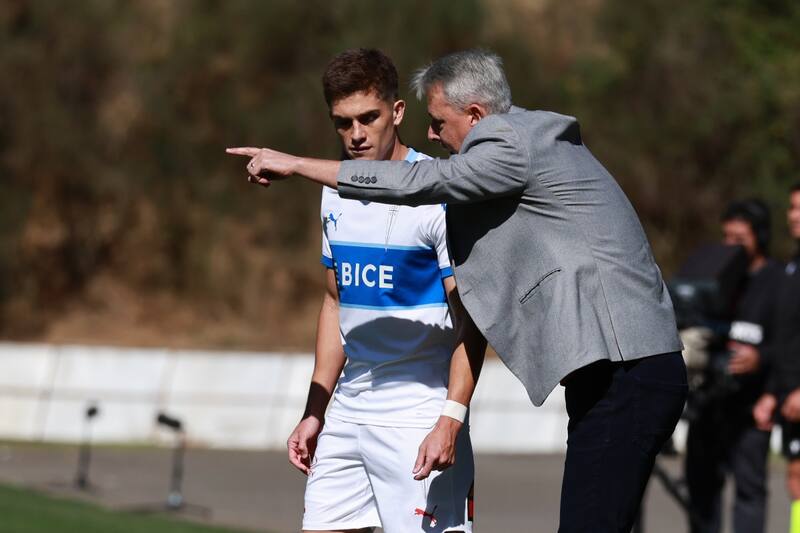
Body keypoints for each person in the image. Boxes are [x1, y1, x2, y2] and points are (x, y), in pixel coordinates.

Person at [228, 48, 687, 533]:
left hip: (628, 370)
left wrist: (297, 164)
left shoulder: (508, 142)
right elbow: (336, 297)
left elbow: (424, 182)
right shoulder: (527, 137)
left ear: (475, 115)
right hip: (613, 370)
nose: (431, 134)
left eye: (438, 121)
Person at [282, 48, 476, 533]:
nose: (356, 134)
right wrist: (315, 411)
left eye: (368, 118)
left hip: (418, 414)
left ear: (397, 112)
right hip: (349, 411)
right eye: (343, 123)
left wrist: (450, 418)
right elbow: (335, 301)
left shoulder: (438, 193)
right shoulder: (334, 190)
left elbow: (472, 318)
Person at [684, 199, 782, 533]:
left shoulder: (779, 281)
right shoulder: (714, 277)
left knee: (749, 492)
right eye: (726, 238)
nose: (731, 248)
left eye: (739, 240)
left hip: (751, 409)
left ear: (760, 238)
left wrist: (760, 359)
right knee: (701, 491)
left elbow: (791, 344)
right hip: (709, 403)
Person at [751, 183, 800, 528]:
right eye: (792, 207)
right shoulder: (792, 267)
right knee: (796, 480)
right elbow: (787, 339)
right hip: (788, 395)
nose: (793, 215)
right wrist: (773, 391)